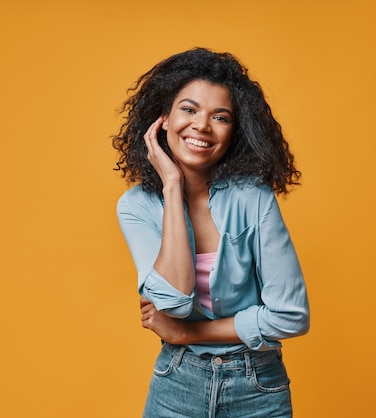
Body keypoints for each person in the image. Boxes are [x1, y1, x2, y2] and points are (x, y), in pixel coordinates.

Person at [113, 47, 310, 418]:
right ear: (163, 120)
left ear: (234, 132)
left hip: (258, 387)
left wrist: (188, 334)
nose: (202, 125)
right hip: (177, 383)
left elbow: (290, 316)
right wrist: (172, 185)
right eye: (189, 109)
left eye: (220, 117)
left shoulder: (253, 197)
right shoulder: (136, 206)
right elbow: (173, 301)